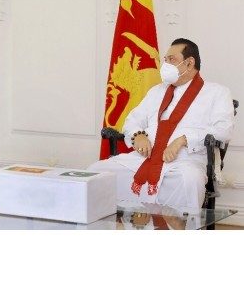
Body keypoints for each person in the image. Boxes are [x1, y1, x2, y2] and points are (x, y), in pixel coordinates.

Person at [88, 38, 235, 210]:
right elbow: (132, 120)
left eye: (171, 59)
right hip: (145, 158)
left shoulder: (217, 92)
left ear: (189, 63)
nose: (165, 65)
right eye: (165, 60)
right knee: (96, 171)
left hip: (185, 161)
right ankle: (110, 223)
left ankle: (177, 226)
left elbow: (223, 130)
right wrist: (138, 136)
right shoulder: (156, 91)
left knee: (189, 181)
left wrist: (183, 140)